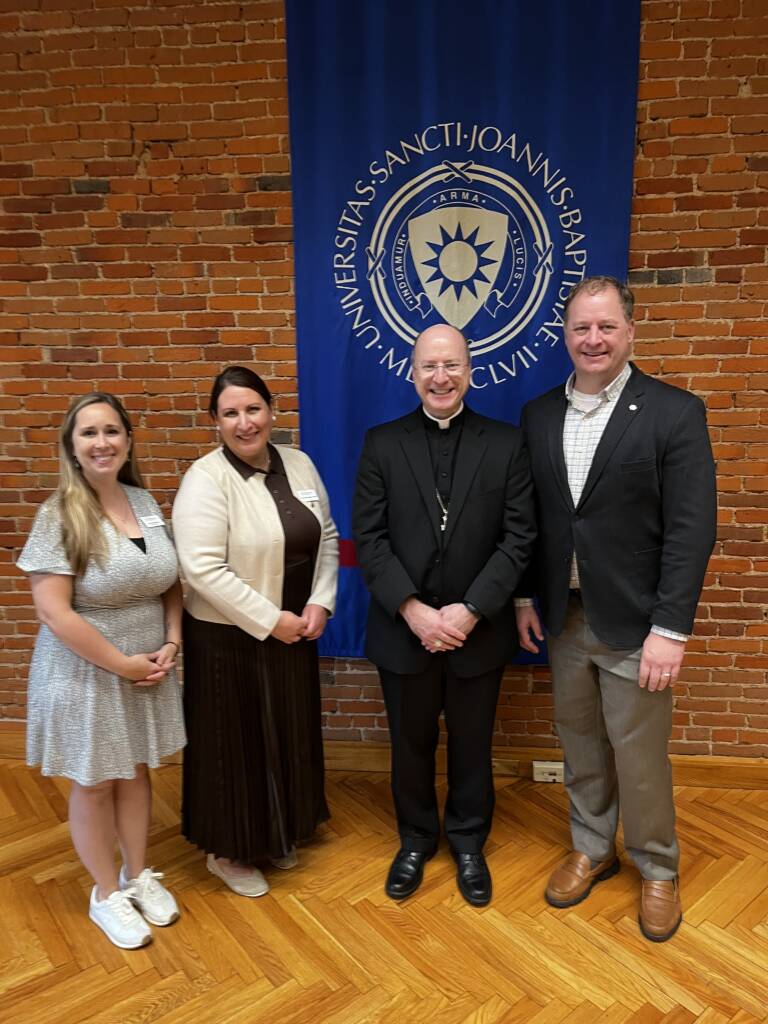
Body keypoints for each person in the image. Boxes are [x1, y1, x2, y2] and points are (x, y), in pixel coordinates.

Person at [515, 275, 717, 942]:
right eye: (581, 328)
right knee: (581, 747)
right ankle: (593, 848)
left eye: (606, 327)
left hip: (638, 625)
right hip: (565, 617)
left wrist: (671, 629)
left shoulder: (673, 412)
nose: (593, 339)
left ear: (631, 331)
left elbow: (691, 530)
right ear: (565, 336)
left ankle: (658, 868)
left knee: (640, 757)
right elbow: (534, 520)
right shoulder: (540, 414)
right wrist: (522, 595)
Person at [353, 324, 536, 906]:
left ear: (469, 370)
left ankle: (467, 841)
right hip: (403, 630)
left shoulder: (507, 444)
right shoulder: (381, 443)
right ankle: (414, 839)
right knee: (409, 743)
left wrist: (471, 610)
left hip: (476, 631)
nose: (441, 377)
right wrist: (413, 610)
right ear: (412, 372)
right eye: (430, 366)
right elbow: (370, 537)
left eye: (452, 365)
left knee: (472, 743)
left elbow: (519, 538)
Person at [17, 393, 186, 950]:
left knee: (136, 771)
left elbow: (169, 583)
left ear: (128, 440)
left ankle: (137, 876)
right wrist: (121, 663)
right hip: (86, 672)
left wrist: (172, 639)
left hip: (147, 665)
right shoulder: (58, 515)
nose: (102, 442)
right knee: (94, 782)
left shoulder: (144, 501)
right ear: (71, 445)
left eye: (112, 430)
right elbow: (53, 611)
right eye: (88, 433)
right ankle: (103, 893)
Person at [172, 365, 338, 897]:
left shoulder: (300, 463)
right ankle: (229, 852)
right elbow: (201, 569)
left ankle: (276, 832)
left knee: (284, 733)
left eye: (253, 409)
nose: (245, 423)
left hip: (294, 631)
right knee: (235, 744)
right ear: (215, 422)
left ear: (271, 410)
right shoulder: (205, 479)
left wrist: (320, 602)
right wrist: (271, 620)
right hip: (229, 638)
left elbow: (328, 537)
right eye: (230, 414)